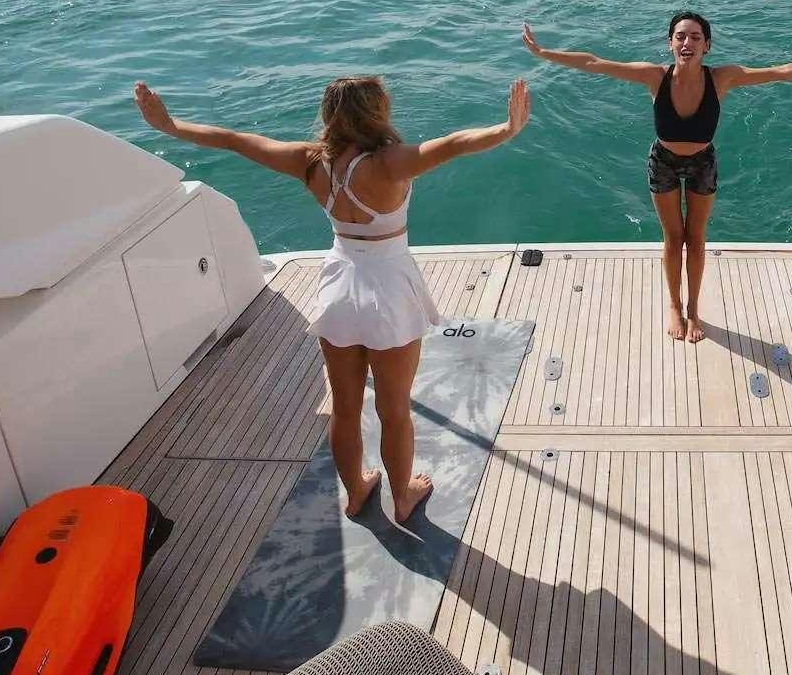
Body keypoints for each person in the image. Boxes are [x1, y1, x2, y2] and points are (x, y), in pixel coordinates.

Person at [132, 75, 530, 523]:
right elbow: (455, 143)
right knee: (394, 409)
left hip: (339, 287)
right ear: (378, 111)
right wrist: (506, 129)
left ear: (328, 114)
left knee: (344, 406)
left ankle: (357, 490)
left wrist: (169, 126)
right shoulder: (388, 164)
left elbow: (236, 140)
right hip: (389, 290)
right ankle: (402, 497)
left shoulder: (309, 161)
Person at [521, 13, 792, 342]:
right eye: (680, 36)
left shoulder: (722, 78)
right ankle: (674, 305)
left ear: (707, 46)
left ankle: (694, 310)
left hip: (702, 162)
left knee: (695, 239)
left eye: (696, 37)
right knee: (673, 237)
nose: (688, 42)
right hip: (663, 161)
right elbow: (594, 62)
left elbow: (780, 72)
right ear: (670, 43)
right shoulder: (655, 77)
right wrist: (542, 52)